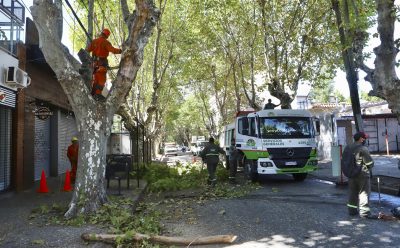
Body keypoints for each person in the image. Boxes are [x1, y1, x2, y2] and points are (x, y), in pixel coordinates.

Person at [344, 131, 376, 219]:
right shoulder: (363, 149)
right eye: (364, 138)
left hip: (351, 174)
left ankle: (352, 210)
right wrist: (371, 164)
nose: (365, 140)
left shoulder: (348, 147)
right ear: (361, 139)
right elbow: (369, 163)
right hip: (362, 174)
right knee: (364, 193)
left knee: (352, 192)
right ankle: (365, 213)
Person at [86, 28, 122, 100]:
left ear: (101, 33)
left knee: (95, 80)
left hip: (94, 65)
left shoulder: (94, 41)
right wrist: (121, 51)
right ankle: (97, 94)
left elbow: (87, 50)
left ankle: (93, 94)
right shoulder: (106, 43)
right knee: (101, 80)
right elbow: (113, 50)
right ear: (107, 36)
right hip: (101, 65)